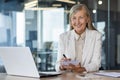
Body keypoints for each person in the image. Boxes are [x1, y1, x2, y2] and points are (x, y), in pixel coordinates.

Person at [55, 4, 102, 73]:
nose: (77, 22)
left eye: (81, 17)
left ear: (87, 19)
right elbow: (57, 65)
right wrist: (62, 65)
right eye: (74, 18)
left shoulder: (96, 36)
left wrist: (80, 69)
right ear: (71, 21)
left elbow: (96, 64)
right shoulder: (63, 37)